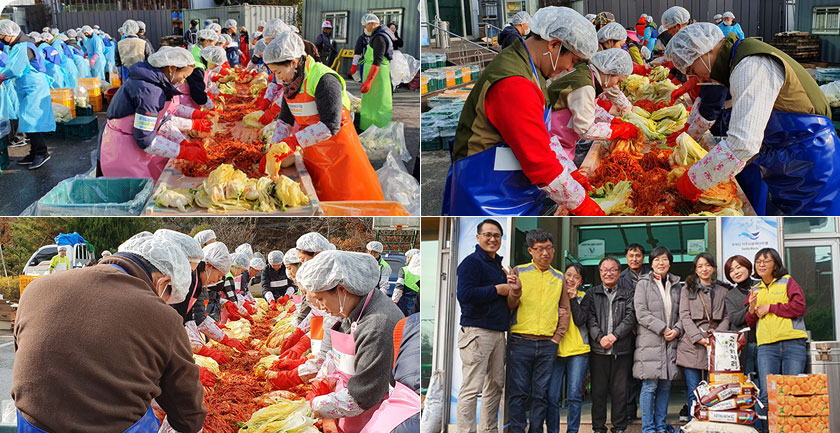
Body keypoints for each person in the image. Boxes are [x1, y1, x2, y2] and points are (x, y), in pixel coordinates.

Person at [12, 234, 205, 432]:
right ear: (164, 282)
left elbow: (28, 359)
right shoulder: (163, 316)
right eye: (168, 296)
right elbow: (189, 416)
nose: (164, 302)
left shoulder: (35, 289)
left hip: (31, 425)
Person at [666, 23, 840, 215]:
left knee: (810, 230)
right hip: (786, 158)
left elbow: (742, 144)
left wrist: (693, 180)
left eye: (692, 68)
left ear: (702, 51)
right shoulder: (735, 63)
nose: (695, 76)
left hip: (810, 161)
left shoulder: (750, 66)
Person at [445, 7, 603, 216]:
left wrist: (570, 171)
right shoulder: (515, 83)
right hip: (487, 196)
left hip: (511, 188)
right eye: (573, 61)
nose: (568, 69)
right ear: (554, 45)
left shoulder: (530, 68)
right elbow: (540, 162)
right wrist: (583, 205)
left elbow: (543, 137)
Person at [260, 33, 385, 201]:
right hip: (313, 153)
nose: (278, 77)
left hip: (340, 156)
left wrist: (293, 141)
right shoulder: (291, 82)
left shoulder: (323, 79)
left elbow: (330, 125)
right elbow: (285, 119)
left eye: (278, 71)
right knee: (320, 200)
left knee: (348, 202)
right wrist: (274, 149)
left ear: (293, 63)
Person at [289, 250, 404, 430]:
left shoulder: (377, 325)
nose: (319, 307)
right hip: (350, 403)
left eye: (320, 299)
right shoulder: (349, 310)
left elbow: (362, 397)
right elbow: (334, 356)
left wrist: (309, 407)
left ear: (342, 290)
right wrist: (320, 383)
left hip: (372, 413)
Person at [100, 46, 211, 180]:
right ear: (171, 68)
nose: (182, 81)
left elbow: (161, 119)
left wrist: (182, 142)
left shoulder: (155, 82)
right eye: (183, 76)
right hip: (123, 149)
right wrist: (183, 151)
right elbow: (146, 140)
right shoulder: (150, 91)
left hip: (133, 140)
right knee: (136, 190)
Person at [456, 219, 519, 433]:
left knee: (495, 387)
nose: (492, 239)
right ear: (478, 237)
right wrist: (497, 289)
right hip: (476, 332)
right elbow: (464, 295)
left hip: (497, 333)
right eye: (488, 235)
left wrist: (512, 289)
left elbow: (508, 301)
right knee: (472, 388)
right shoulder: (471, 263)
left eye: (497, 236)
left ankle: (489, 430)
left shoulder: (499, 267)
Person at [506, 229, 569, 433]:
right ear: (530, 250)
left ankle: (535, 430)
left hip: (547, 344)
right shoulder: (519, 271)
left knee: (540, 393)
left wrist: (556, 338)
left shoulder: (559, 277)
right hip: (520, 341)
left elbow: (565, 309)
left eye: (549, 248)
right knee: (518, 392)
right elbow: (510, 304)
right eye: (540, 249)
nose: (545, 253)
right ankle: (516, 429)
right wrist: (515, 290)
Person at [745, 248, 808, 433]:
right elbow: (750, 322)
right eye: (758, 261)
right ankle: (767, 430)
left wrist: (771, 307)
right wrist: (751, 310)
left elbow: (799, 307)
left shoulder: (787, 281)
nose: (761, 264)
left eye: (766, 261)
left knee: (791, 392)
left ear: (776, 264)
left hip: (792, 343)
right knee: (766, 394)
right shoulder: (755, 289)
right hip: (766, 347)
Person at [547, 48, 636, 162]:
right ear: (609, 71)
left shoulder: (587, 72)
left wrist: (611, 120)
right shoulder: (585, 86)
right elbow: (586, 130)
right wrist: (617, 130)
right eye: (618, 81)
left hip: (562, 140)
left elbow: (587, 107)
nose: (615, 86)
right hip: (554, 142)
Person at [633, 246, 682, 433]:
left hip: (671, 342)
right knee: (649, 386)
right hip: (650, 343)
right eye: (656, 260)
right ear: (651, 263)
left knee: (665, 386)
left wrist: (676, 330)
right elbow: (641, 313)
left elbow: (682, 314)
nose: (661, 263)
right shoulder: (643, 283)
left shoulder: (677, 285)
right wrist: (663, 328)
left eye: (664, 259)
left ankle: (660, 427)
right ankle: (648, 429)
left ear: (670, 262)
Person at [676, 252, 730, 421]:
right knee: (694, 390)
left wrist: (717, 337)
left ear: (713, 268)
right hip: (691, 345)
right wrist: (698, 337)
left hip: (717, 344)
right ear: (696, 270)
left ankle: (711, 425)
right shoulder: (687, 289)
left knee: (714, 392)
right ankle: (695, 425)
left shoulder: (723, 290)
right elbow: (684, 315)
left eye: (707, 265)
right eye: (700, 266)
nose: (704, 269)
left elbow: (727, 316)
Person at [587, 256, 636, 433]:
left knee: (620, 392)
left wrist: (614, 336)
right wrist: (600, 338)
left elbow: (631, 317)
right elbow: (590, 318)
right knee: (598, 392)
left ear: (619, 272)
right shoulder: (592, 293)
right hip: (598, 351)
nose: (608, 273)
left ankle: (619, 427)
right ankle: (598, 428)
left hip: (621, 350)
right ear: (600, 272)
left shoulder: (628, 293)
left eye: (612, 269)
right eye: (604, 270)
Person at [0, 20, 55, 170]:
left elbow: (14, 70)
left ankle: (41, 153)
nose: (1, 39)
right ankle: (34, 152)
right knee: (26, 119)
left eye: (2, 35)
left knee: (31, 120)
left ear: (10, 34)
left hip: (33, 87)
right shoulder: (21, 45)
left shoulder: (22, 46)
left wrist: (1, 77)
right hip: (28, 86)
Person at [545, 263, 589, 433]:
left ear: (581, 281)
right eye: (568, 275)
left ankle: (572, 431)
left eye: (576, 277)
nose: (571, 279)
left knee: (574, 396)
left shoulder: (585, 297)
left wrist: (572, 299)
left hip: (579, 351)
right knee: (551, 396)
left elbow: (580, 320)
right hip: (555, 350)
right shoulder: (553, 294)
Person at [618, 243, 650, 420]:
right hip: (627, 332)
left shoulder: (651, 275)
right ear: (626, 258)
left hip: (649, 331)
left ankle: (648, 412)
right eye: (631, 256)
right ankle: (630, 412)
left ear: (643, 257)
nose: (634, 259)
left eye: (637, 255)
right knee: (629, 372)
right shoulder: (621, 277)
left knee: (647, 371)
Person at [359, 13, 396, 130]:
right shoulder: (380, 35)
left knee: (378, 105)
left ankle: (377, 129)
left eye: (366, 26)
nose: (365, 28)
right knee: (373, 104)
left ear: (372, 24)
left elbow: (377, 60)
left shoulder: (379, 38)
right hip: (376, 74)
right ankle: (371, 127)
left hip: (378, 76)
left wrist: (369, 81)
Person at [724, 255, 758, 379]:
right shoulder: (730, 295)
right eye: (731, 271)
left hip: (766, 342)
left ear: (747, 267)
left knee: (767, 381)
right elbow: (735, 318)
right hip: (746, 344)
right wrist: (751, 307)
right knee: (747, 381)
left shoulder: (761, 285)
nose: (736, 272)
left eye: (738, 267)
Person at [393, 248, 420, 316]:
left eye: (407, 257)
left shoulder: (404, 270)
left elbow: (399, 288)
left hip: (406, 302)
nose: (406, 259)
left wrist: (394, 301)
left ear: (411, 258)